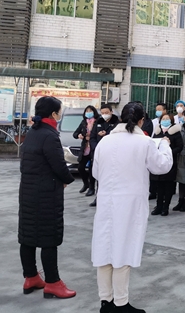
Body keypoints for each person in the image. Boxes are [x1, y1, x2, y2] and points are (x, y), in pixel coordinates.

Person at [92, 102, 173, 313]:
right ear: (142, 121)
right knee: (123, 251)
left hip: (106, 201)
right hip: (130, 204)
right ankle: (121, 303)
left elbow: (96, 173)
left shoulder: (105, 141)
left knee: (104, 250)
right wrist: (165, 145)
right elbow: (162, 166)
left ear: (120, 118)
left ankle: (105, 301)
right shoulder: (144, 142)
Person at [19, 96, 76, 299]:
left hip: (28, 192)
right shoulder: (49, 135)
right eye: (59, 111)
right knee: (48, 238)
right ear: (53, 114)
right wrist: (67, 179)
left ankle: (31, 277)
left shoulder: (32, 133)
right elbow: (58, 164)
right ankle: (53, 282)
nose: (60, 115)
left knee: (28, 237)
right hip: (46, 194)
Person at [150, 114, 183, 216]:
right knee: (159, 186)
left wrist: (168, 152)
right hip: (159, 162)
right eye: (163, 119)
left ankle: (166, 207)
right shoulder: (157, 131)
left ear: (171, 120)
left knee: (168, 186)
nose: (165, 120)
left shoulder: (175, 132)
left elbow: (180, 146)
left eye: (167, 119)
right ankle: (158, 206)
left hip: (170, 162)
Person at [88, 104, 120, 207]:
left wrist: (106, 135)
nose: (104, 115)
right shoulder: (98, 122)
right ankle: (98, 197)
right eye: (102, 113)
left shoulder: (117, 123)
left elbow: (118, 138)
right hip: (99, 154)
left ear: (111, 112)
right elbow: (92, 137)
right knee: (100, 177)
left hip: (112, 153)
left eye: (106, 113)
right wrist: (97, 148)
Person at [73, 105, 99, 196]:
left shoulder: (98, 121)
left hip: (94, 148)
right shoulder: (84, 122)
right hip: (85, 148)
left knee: (92, 169)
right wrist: (79, 135)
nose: (88, 113)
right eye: (87, 111)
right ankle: (86, 183)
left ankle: (92, 188)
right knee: (80, 167)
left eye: (90, 111)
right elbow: (75, 133)